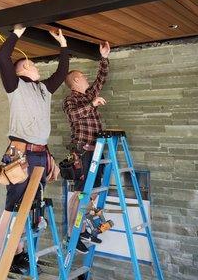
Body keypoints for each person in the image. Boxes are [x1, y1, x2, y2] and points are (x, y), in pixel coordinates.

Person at [0, 25, 69, 274]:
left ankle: (21, 253)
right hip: (21, 154)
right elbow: (2, 57)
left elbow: (62, 73)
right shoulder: (14, 85)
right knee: (13, 206)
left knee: (32, 207)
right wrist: (17, 32)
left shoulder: (44, 89)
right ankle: (5, 257)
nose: (38, 68)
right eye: (34, 64)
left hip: (40, 153)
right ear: (25, 66)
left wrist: (63, 45)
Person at [63, 41, 110, 253]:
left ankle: (83, 229)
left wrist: (104, 58)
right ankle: (72, 234)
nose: (87, 79)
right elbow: (75, 115)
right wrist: (92, 104)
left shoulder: (88, 95)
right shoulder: (70, 100)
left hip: (96, 151)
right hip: (82, 151)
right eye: (83, 77)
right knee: (81, 193)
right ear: (75, 80)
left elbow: (100, 80)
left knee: (92, 192)